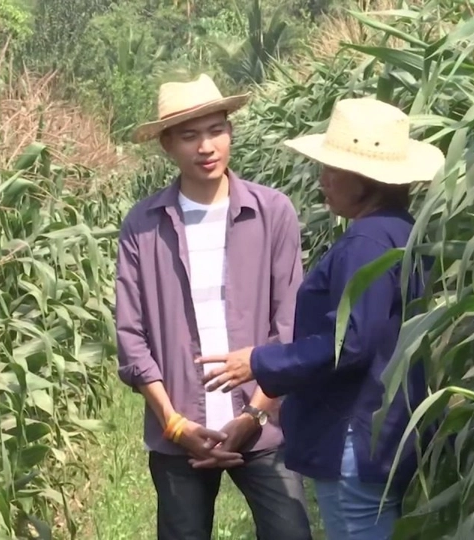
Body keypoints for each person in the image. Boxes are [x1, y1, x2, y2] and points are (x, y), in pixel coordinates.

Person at [196, 97, 444, 539]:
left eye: (332, 170)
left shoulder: (366, 243)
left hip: (354, 435)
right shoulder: (402, 231)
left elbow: (348, 343)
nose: (322, 180)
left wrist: (258, 361)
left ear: (365, 180)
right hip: (387, 431)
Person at [114, 73, 314, 540]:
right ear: (167, 144)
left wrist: (254, 415)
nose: (206, 147)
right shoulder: (143, 226)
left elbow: (289, 326)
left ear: (230, 131)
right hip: (179, 429)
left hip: (263, 425)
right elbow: (131, 335)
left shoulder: (272, 213)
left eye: (216, 130)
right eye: (189, 136)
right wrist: (174, 423)